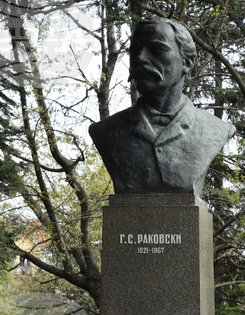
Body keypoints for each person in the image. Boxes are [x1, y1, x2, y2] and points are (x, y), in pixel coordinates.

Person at [89, 17, 236, 196]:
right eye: (135, 51)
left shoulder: (215, 130)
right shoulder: (106, 131)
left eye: (157, 50)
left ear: (187, 62)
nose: (141, 58)